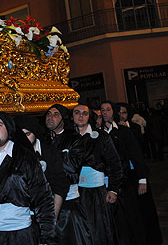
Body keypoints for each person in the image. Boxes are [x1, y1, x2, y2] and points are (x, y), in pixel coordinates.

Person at [0, 111, 55, 245]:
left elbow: (43, 199)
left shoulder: (26, 158)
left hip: (20, 235)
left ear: (9, 128)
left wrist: (47, 237)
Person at [101, 101, 162, 245]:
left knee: (134, 214)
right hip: (109, 181)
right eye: (102, 110)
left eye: (108, 110)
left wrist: (142, 179)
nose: (105, 113)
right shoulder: (99, 133)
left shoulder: (124, 131)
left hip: (129, 179)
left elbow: (136, 155)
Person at [72, 104, 122, 245]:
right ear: (72, 116)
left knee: (99, 232)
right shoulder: (68, 137)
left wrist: (113, 189)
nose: (81, 116)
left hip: (96, 193)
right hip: (74, 193)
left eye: (84, 113)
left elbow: (115, 163)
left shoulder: (101, 137)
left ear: (89, 117)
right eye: (77, 112)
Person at [43, 104, 91, 245]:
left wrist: (48, 161)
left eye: (56, 114)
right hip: (45, 198)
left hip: (68, 202)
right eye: (48, 114)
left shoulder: (74, 139)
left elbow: (71, 167)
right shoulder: (41, 139)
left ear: (63, 119)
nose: (51, 117)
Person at [14, 115, 69, 220]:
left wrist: (53, 217)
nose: (24, 139)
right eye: (21, 135)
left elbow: (60, 186)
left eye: (28, 134)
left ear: (35, 133)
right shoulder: (14, 152)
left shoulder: (49, 152)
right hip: (22, 214)